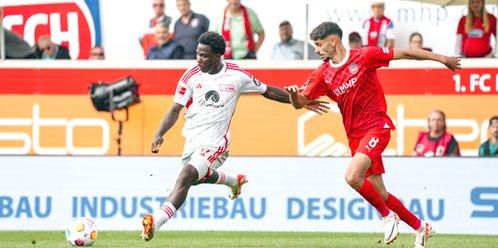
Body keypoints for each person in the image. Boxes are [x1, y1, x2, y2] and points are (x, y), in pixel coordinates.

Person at [284, 22, 460, 248]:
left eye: (318, 45)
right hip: (355, 137)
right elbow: (301, 102)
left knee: (352, 177)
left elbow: (406, 52)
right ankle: (419, 227)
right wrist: (292, 96)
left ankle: (387, 217)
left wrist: (442, 59)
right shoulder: (322, 74)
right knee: (381, 192)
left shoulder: (365, 56)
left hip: (377, 126)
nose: (316, 50)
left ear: (333, 41)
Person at [140, 31, 327, 242]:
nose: (199, 59)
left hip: (217, 142)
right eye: (198, 54)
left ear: (219, 55)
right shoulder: (191, 75)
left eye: (204, 55)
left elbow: (267, 91)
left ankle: (155, 222)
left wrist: (299, 100)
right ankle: (233, 182)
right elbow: (175, 108)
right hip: (193, 139)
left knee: (186, 176)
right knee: (194, 179)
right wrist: (159, 134)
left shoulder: (237, 76)